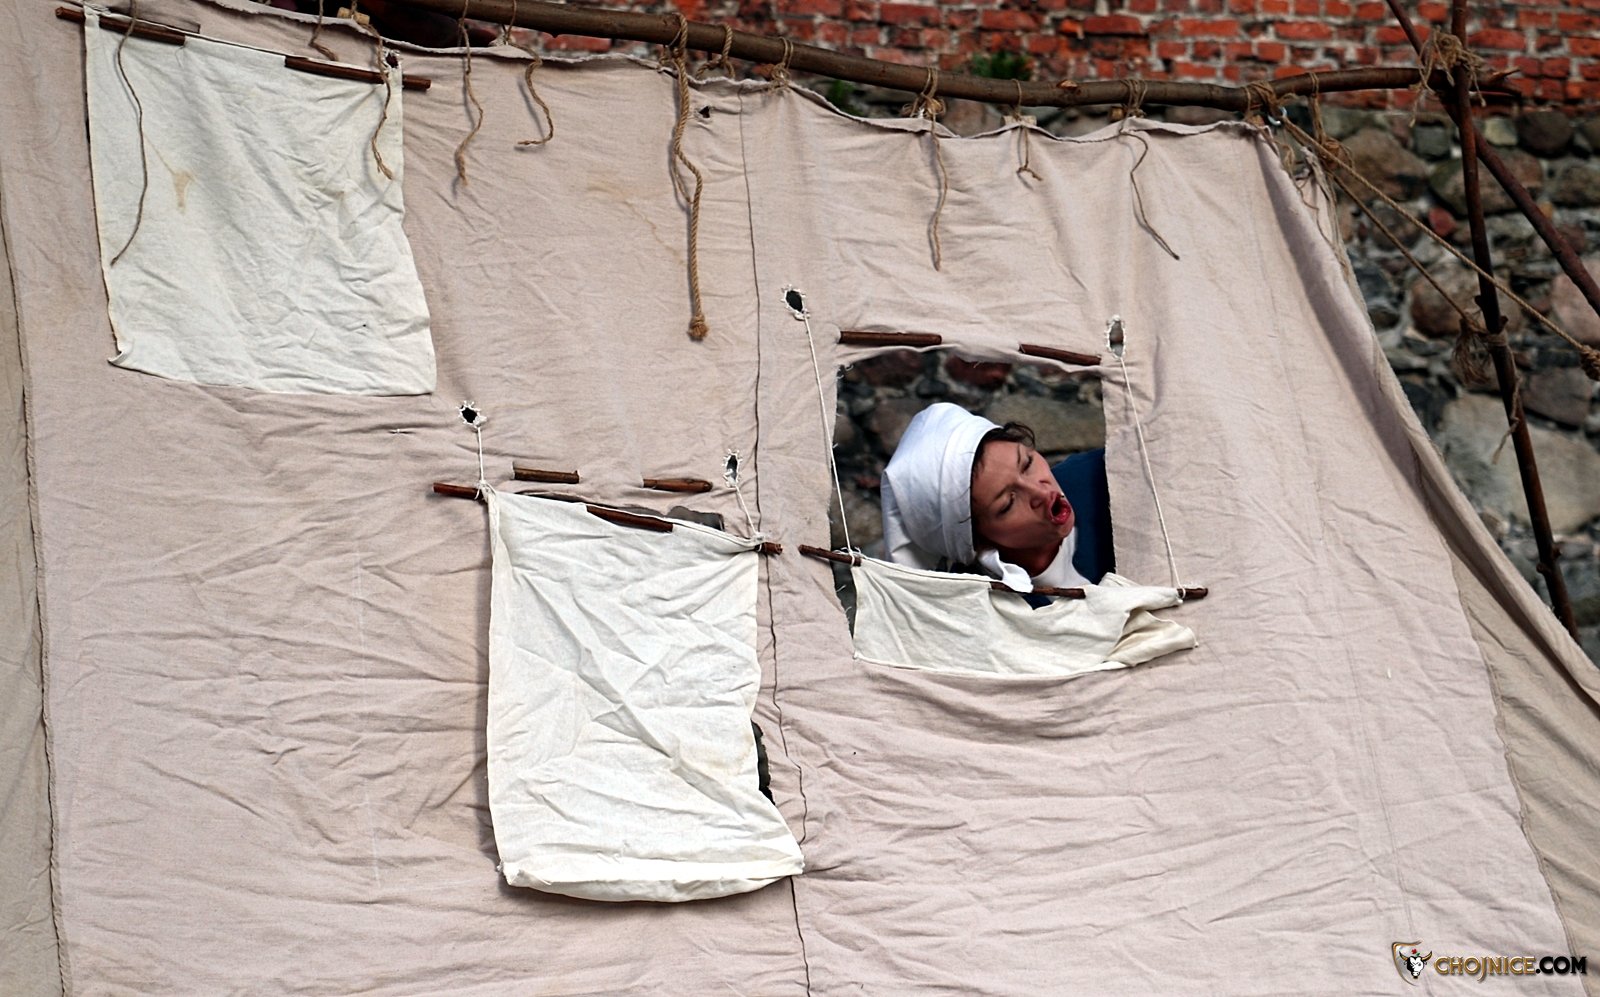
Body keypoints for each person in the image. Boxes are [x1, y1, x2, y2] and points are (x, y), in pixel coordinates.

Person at [880, 402, 1113, 593]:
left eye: (1027, 464)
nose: (1040, 492)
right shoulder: (979, 603)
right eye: (1008, 503)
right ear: (977, 543)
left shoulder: (1106, 475)